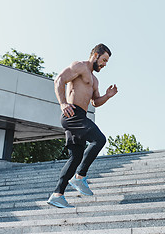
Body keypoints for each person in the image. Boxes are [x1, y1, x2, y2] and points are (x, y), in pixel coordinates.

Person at [47, 43, 118, 208]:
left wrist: (107, 96)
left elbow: (95, 101)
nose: (104, 64)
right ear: (95, 55)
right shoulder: (78, 66)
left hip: (80, 116)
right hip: (72, 114)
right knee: (99, 140)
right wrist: (63, 103)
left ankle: (57, 195)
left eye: (107, 62)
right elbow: (59, 80)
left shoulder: (94, 80)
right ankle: (80, 177)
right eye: (104, 60)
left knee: (75, 157)